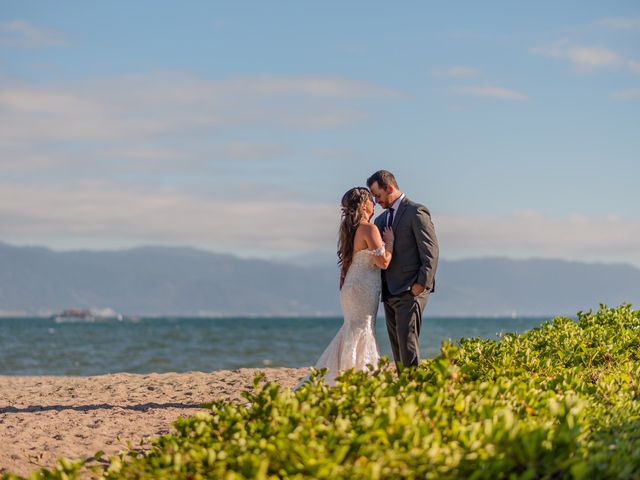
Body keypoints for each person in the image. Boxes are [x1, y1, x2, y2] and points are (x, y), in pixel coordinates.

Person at [296, 187, 394, 388]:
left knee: (353, 328)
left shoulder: (348, 230)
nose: (374, 203)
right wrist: (390, 243)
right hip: (364, 287)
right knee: (363, 327)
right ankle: (360, 378)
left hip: (351, 286)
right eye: (371, 200)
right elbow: (383, 262)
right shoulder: (369, 228)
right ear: (364, 204)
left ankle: (347, 375)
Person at [367, 170, 439, 369]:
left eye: (378, 196)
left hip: (411, 290)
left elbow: (431, 251)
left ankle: (414, 390)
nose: (377, 201)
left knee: (408, 345)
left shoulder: (416, 211)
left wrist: (421, 285)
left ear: (389, 187)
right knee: (397, 347)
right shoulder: (379, 221)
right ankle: (404, 388)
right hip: (389, 292)